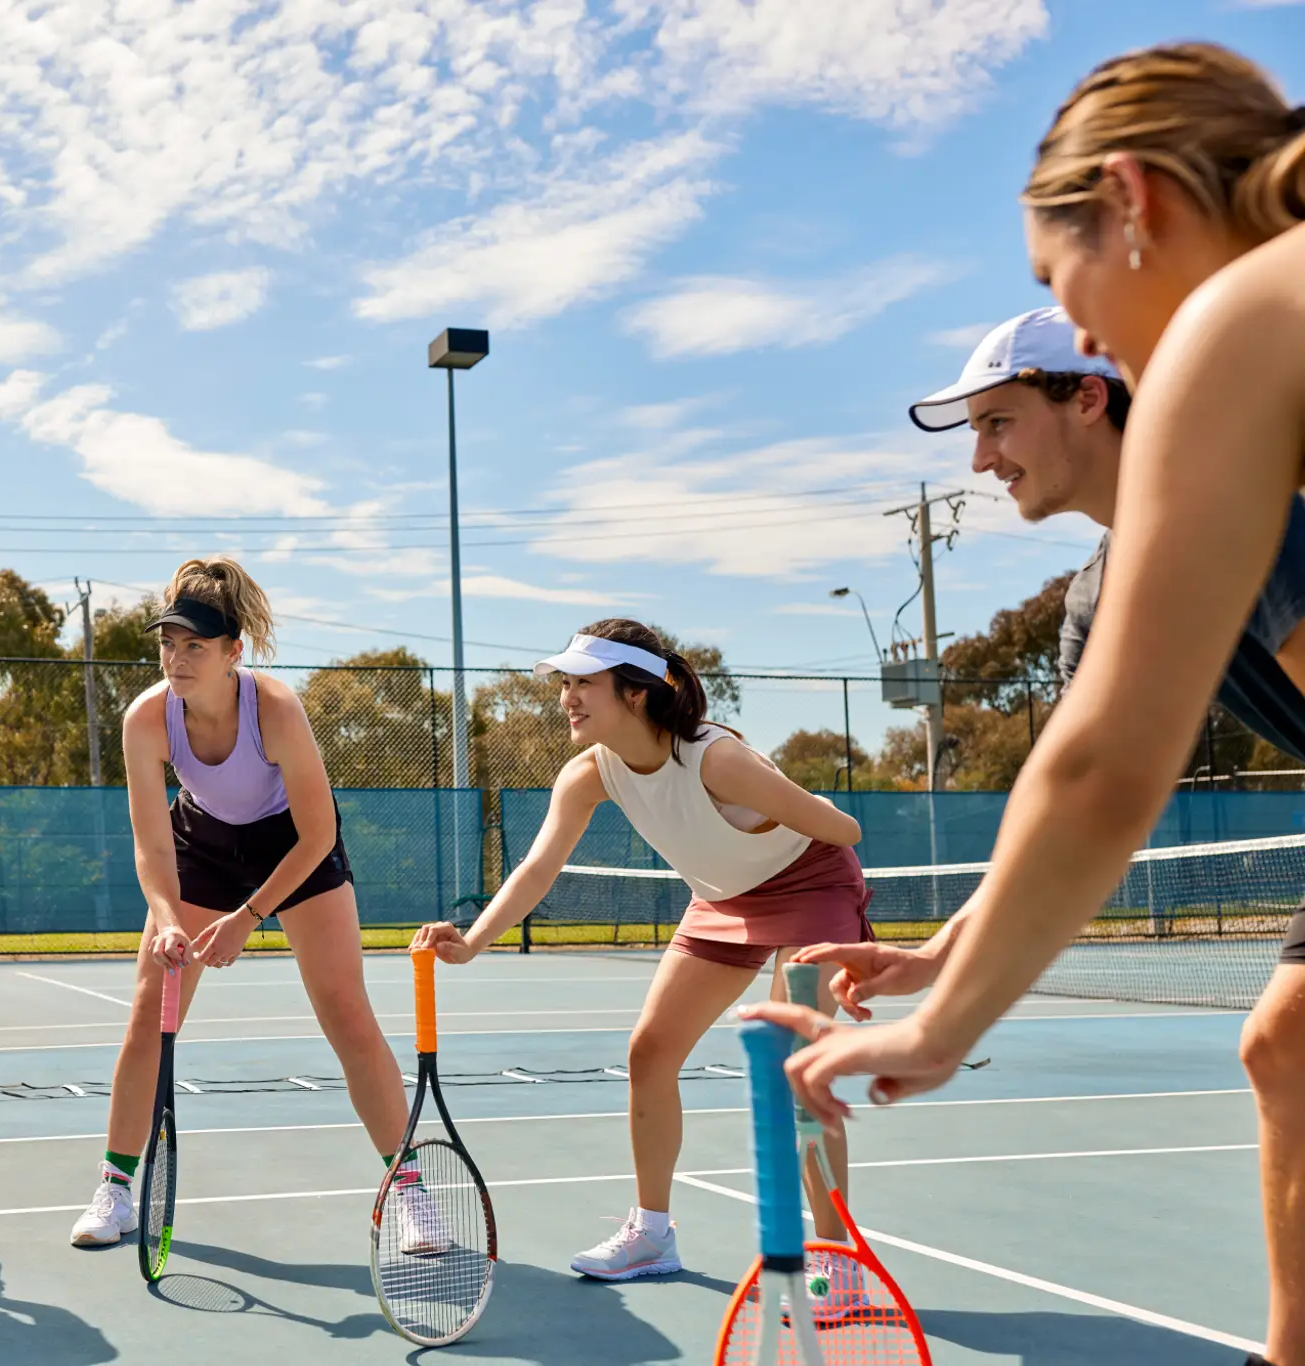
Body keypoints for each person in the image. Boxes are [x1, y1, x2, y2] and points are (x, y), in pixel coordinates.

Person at [750, 44, 1305, 1366]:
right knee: (1284, 1038)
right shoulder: (1132, 561)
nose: (1090, 327)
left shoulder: (1244, 344)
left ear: (1131, 199)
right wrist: (949, 956)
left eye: (1063, 288)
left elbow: (1109, 768)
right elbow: (1075, 790)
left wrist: (944, 1027)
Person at [799, 305, 1305, 1021]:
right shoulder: (1096, 603)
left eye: (998, 422)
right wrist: (936, 959)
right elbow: (1071, 810)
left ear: (1089, 398)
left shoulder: (1237, 498)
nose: (979, 459)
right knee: (1281, 1051)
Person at [409, 620, 870, 1308]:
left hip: (812, 890)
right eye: (564, 683)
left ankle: (840, 1264)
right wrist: (473, 941)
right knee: (649, 1052)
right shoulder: (589, 773)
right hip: (721, 901)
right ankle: (652, 1236)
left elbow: (845, 830)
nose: (567, 696)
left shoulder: (720, 762)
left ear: (636, 694)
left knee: (793, 1073)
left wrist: (836, 902)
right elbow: (538, 869)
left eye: (583, 683)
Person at [68, 558, 424, 1251]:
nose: (176, 657)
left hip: (293, 847)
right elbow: (150, 841)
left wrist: (250, 917)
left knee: (348, 1015)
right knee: (149, 1013)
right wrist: (169, 918)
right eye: (168, 642)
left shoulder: (276, 709)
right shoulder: (147, 718)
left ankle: (407, 1190)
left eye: (195, 645)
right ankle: (115, 1190)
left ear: (235, 651)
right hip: (199, 845)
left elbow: (319, 832)